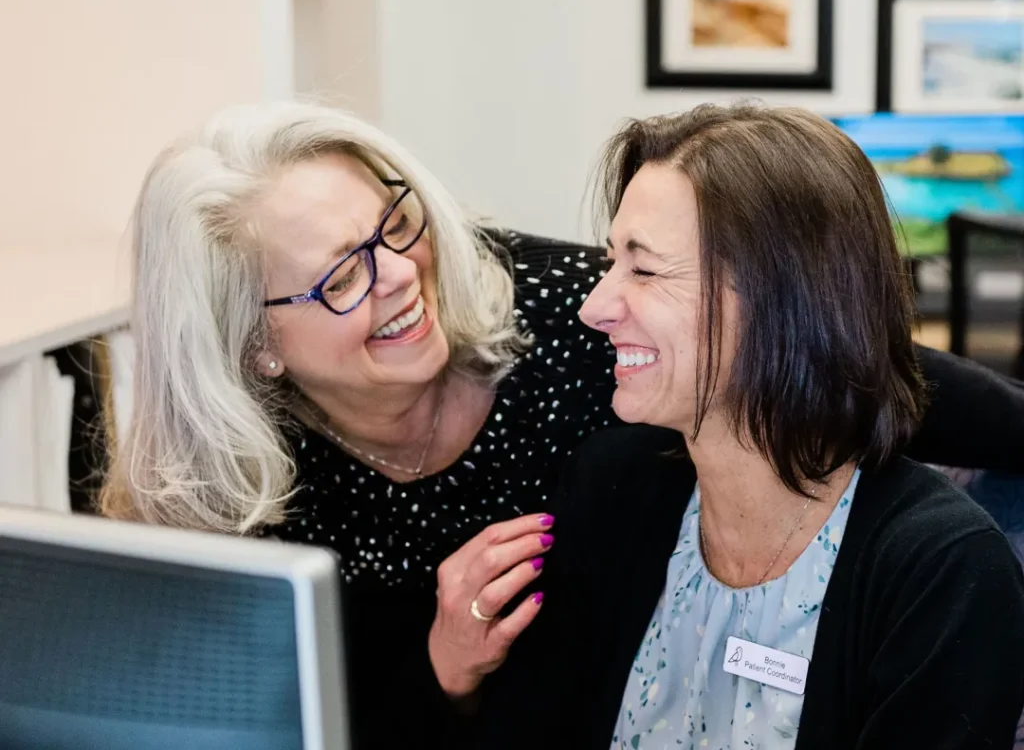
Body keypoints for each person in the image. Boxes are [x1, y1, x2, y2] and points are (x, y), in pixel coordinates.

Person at [99, 101, 1024, 750]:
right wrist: (446, 673)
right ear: (257, 344)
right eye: (340, 278)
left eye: (395, 224)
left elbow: (843, 358)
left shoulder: (546, 311)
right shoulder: (616, 489)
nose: (396, 275)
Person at [473, 104, 1024, 749]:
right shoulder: (612, 490)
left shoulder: (942, 573)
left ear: (781, 297)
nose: (595, 307)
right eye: (610, 262)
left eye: (644, 269)